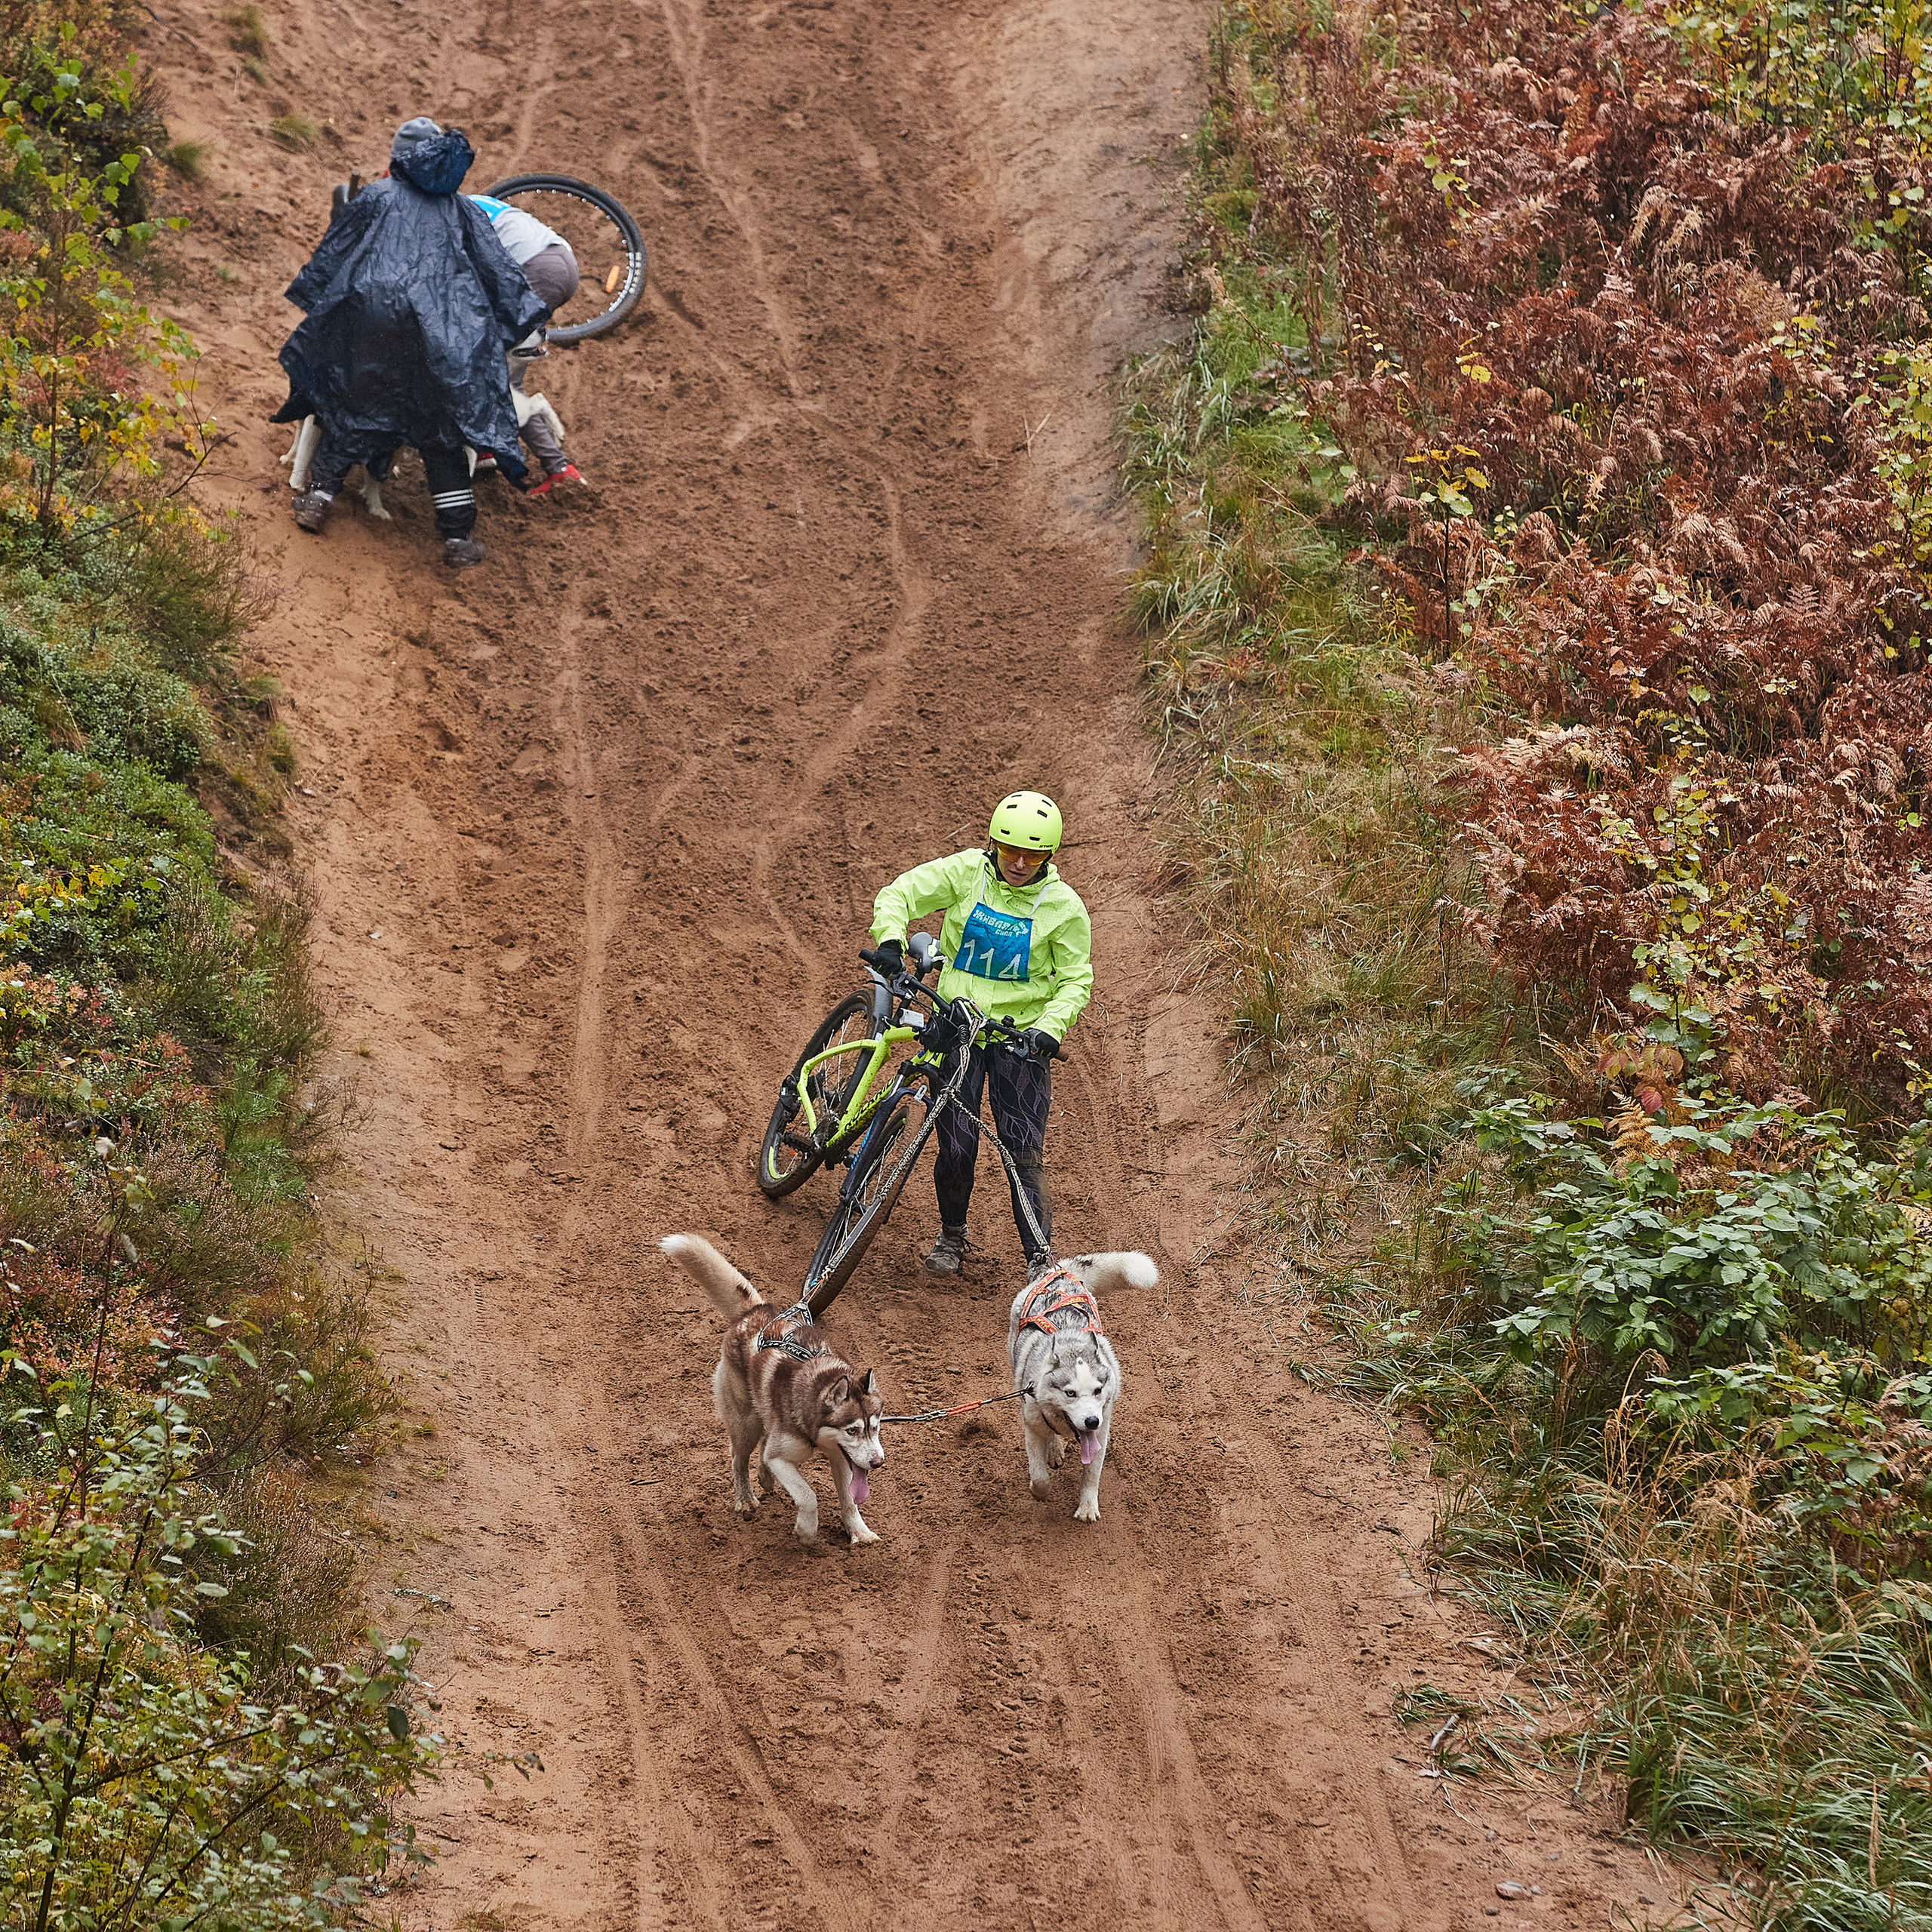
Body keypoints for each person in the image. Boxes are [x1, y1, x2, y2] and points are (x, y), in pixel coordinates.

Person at [272, 118, 548, 569]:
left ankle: (319, 499)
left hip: (372, 324)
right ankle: (457, 539)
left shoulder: (377, 197)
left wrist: (318, 305)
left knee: (348, 406)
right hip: (441, 339)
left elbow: (333, 254)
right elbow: (500, 275)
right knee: (441, 432)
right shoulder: (464, 211)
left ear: (399, 158)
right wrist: (508, 325)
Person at [869, 791, 1093, 1280]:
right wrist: (890, 938)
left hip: (1020, 1041)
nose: (1018, 863)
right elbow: (900, 894)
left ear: (1049, 855)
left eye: (1031, 854)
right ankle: (952, 1234)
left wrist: (1050, 1028)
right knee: (956, 1146)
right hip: (957, 1030)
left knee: (1022, 1152)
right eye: (1009, 849)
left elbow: (1076, 979)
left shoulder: (1064, 908)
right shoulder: (967, 872)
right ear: (993, 843)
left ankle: (1040, 1264)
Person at [467, 192, 586, 491]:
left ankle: (557, 467)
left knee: (487, 366)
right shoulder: (468, 201)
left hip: (536, 269)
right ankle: (488, 448)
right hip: (559, 261)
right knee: (506, 369)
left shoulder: (442, 215)